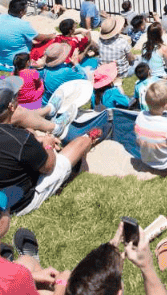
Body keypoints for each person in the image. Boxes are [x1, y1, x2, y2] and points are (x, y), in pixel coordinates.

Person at [0, 76, 99, 216]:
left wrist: (36, 139)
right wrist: (47, 144)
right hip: (17, 205)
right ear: (11, 106)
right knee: (81, 142)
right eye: (16, 97)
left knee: (30, 132)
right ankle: (90, 137)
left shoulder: (19, 138)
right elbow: (48, 167)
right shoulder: (20, 140)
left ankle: (51, 114)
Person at [0, 0, 51, 67]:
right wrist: (51, 36)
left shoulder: (1, 17)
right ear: (21, 12)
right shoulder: (23, 24)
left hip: (2, 59)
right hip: (17, 60)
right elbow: (39, 38)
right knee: (49, 42)